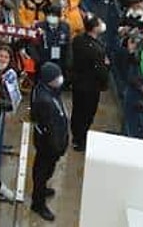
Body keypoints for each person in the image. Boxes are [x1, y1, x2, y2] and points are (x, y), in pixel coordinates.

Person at [30, 62, 70, 222]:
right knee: (42, 171)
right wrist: (58, 148)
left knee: (46, 171)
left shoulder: (49, 90)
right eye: (56, 77)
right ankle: (38, 203)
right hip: (47, 145)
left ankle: (42, 188)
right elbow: (50, 128)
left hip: (50, 142)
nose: (60, 79)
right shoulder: (44, 100)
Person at [70, 14, 110, 152]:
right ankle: (80, 140)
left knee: (77, 111)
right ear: (94, 28)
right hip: (90, 87)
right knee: (86, 114)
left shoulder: (78, 40)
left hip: (77, 83)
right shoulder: (96, 49)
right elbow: (101, 71)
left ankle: (76, 137)